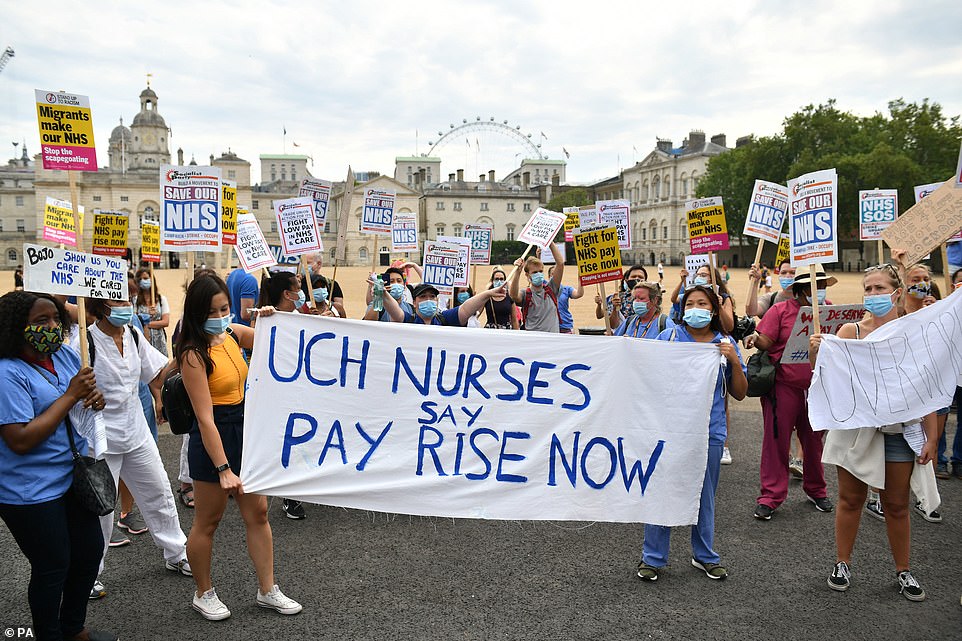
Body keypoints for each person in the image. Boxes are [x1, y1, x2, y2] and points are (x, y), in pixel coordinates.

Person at [177, 275, 301, 620]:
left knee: (258, 514)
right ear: (197, 312)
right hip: (213, 439)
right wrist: (223, 469)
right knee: (208, 521)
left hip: (245, 432)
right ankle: (204, 593)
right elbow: (204, 419)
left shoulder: (230, 333)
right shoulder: (192, 354)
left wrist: (268, 315)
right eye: (213, 310)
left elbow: (270, 335)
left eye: (225, 308)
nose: (221, 314)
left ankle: (268, 589)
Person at [811, 264, 937, 602]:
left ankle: (903, 570)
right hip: (857, 431)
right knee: (851, 499)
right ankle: (842, 563)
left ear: (896, 292)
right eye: (868, 289)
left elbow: (925, 389)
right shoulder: (850, 332)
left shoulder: (911, 332)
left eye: (880, 288)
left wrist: (932, 437)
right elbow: (825, 374)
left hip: (899, 432)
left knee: (896, 505)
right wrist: (816, 350)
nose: (873, 295)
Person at [0, 291, 118, 641]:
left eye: (55, 319)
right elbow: (20, 439)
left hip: (72, 478)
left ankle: (73, 628)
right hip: (29, 490)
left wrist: (94, 398)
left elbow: (81, 403)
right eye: (40, 322)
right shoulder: (8, 374)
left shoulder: (66, 355)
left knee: (87, 554)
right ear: (16, 328)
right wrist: (70, 395)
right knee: (53, 566)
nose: (52, 327)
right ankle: (48, 634)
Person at [82, 296, 192, 596]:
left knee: (159, 493)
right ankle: (88, 574)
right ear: (97, 307)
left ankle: (177, 554)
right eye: (115, 301)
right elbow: (69, 391)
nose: (124, 306)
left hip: (137, 433)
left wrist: (184, 351)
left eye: (124, 300)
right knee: (101, 511)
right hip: (100, 440)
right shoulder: (83, 342)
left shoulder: (132, 334)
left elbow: (156, 374)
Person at [636, 285, 747, 582]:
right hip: (670, 429)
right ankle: (653, 557)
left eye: (702, 303)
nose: (695, 308)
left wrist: (734, 361)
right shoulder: (669, 337)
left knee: (704, 493)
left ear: (713, 310)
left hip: (709, 431)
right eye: (690, 304)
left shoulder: (725, 344)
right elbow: (644, 374)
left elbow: (739, 392)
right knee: (663, 489)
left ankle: (705, 555)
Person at [750, 267, 836, 521]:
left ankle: (817, 489)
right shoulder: (780, 310)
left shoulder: (829, 310)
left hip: (816, 387)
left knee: (813, 441)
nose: (819, 292)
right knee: (776, 441)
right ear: (799, 290)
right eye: (814, 287)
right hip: (783, 386)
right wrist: (757, 339)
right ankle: (770, 496)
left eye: (822, 286)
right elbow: (766, 340)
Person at [256, 270, 317, 521]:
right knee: (286, 439)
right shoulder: (267, 318)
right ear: (287, 293)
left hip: (304, 388)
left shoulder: (298, 316)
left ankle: (297, 488)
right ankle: (288, 494)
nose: (301, 291)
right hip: (281, 391)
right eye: (298, 286)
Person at [745, 259, 804, 478]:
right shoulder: (772, 299)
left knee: (808, 425)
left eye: (793, 272)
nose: (789, 276)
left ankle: (800, 458)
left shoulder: (817, 300)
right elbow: (751, 310)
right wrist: (754, 282)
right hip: (778, 373)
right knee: (781, 425)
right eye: (785, 272)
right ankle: (787, 456)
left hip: (806, 372)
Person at [381, 281, 505, 327]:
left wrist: (488, 294)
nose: (428, 300)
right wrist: (383, 294)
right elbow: (394, 311)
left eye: (432, 297)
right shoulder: (409, 320)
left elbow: (466, 308)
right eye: (423, 297)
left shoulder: (445, 319)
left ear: (437, 300)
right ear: (414, 302)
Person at [509, 243, 565, 333]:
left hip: (552, 340)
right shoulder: (526, 294)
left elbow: (560, 264)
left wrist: (550, 242)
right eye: (535, 272)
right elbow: (514, 296)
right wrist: (517, 272)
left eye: (540, 271)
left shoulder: (551, 288)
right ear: (527, 275)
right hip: (533, 340)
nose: (538, 274)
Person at [597, 265, 648, 329]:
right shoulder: (616, 298)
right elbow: (612, 325)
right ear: (626, 280)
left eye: (640, 277)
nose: (637, 279)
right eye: (633, 276)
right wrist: (615, 309)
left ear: (645, 281)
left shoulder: (651, 299)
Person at [134, 267, 170, 356]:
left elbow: (165, 322)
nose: (143, 281)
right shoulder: (135, 300)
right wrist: (147, 318)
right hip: (142, 340)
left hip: (159, 342)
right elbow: (134, 321)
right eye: (141, 279)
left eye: (146, 278)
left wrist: (146, 323)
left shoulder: (161, 299)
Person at [304, 251, 346, 317]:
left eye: (307, 263)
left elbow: (340, 311)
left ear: (319, 264)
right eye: (302, 263)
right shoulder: (298, 284)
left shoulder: (332, 284)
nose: (304, 266)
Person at [549, 264, 583, 334]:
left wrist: (580, 278)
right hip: (550, 326)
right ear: (549, 276)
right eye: (553, 274)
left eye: (557, 273)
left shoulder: (567, 289)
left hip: (565, 326)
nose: (555, 276)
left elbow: (579, 294)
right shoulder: (545, 290)